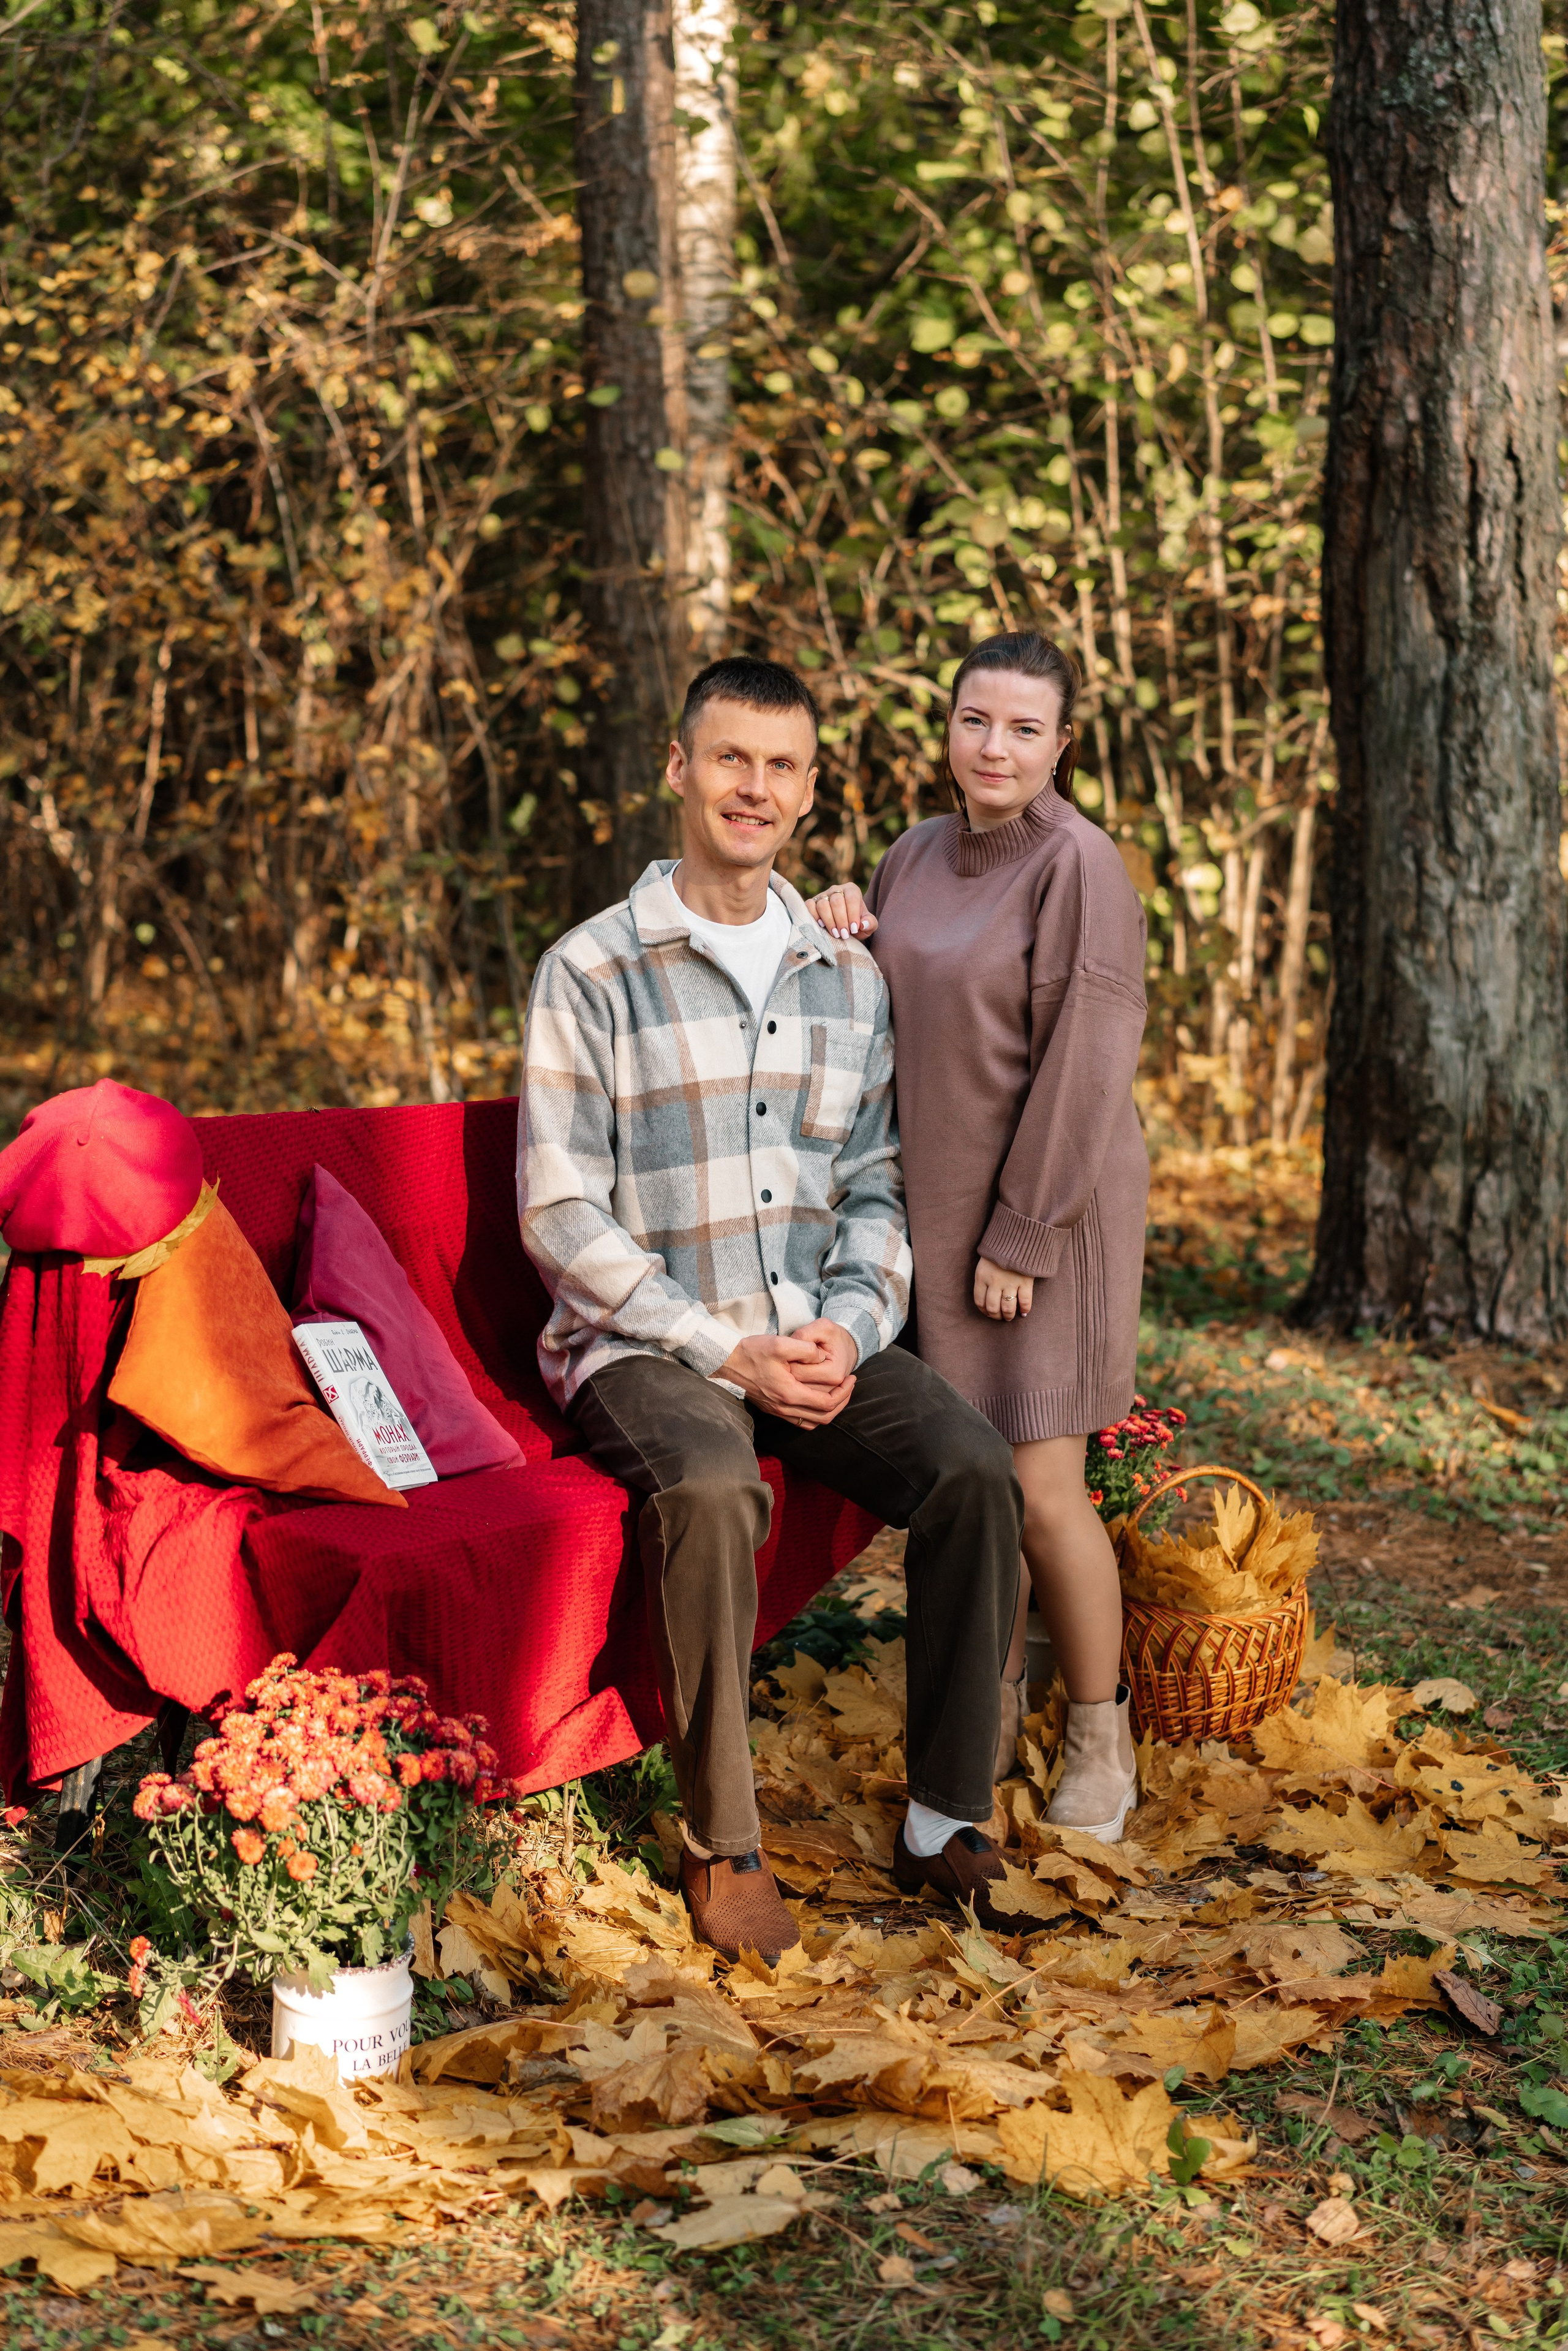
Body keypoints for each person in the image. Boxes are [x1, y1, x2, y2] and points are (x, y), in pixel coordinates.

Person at [518, 654, 1030, 1963]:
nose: (755, 786)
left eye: (782, 765)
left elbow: (871, 1184)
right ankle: (722, 1838)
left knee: (971, 1466)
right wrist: (719, 1347)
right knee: (712, 1486)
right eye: (731, 759)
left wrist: (850, 1328)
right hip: (647, 1340)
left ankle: (940, 1814)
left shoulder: (840, 976)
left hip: (804, 1329)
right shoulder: (592, 968)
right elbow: (561, 1214)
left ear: (807, 790)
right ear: (680, 769)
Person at [809, 631, 1148, 1844]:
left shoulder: (1077, 864)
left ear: (1061, 743)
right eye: (973, 720)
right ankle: (979, 1721)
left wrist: (1022, 1235)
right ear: (944, 729)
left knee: (1043, 1489)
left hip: (1045, 1214)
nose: (991, 746)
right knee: (971, 1486)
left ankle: (1102, 1741)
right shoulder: (910, 854)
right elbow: (873, 1000)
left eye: (1020, 727)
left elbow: (1086, 1064)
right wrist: (836, 917)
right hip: (931, 1219)